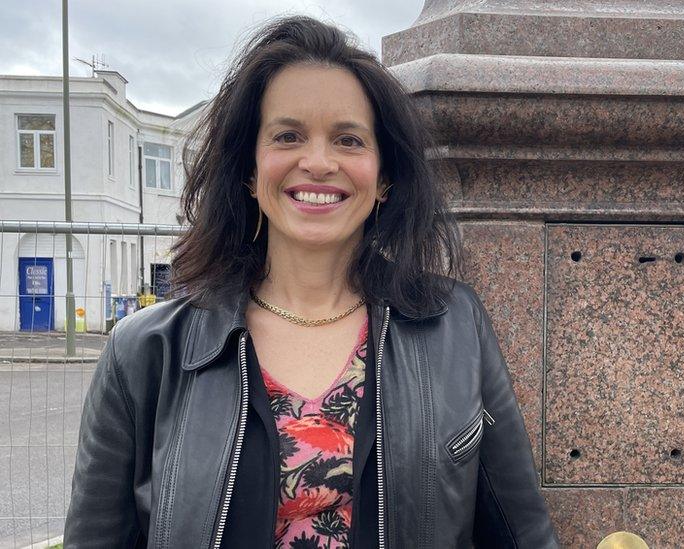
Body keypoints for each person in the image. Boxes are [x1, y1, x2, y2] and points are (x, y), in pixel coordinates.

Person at [63, 15, 559, 549]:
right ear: (249, 171)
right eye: (288, 135)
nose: (318, 162)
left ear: (385, 177)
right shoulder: (145, 352)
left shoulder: (455, 327)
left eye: (348, 139)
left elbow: (521, 533)